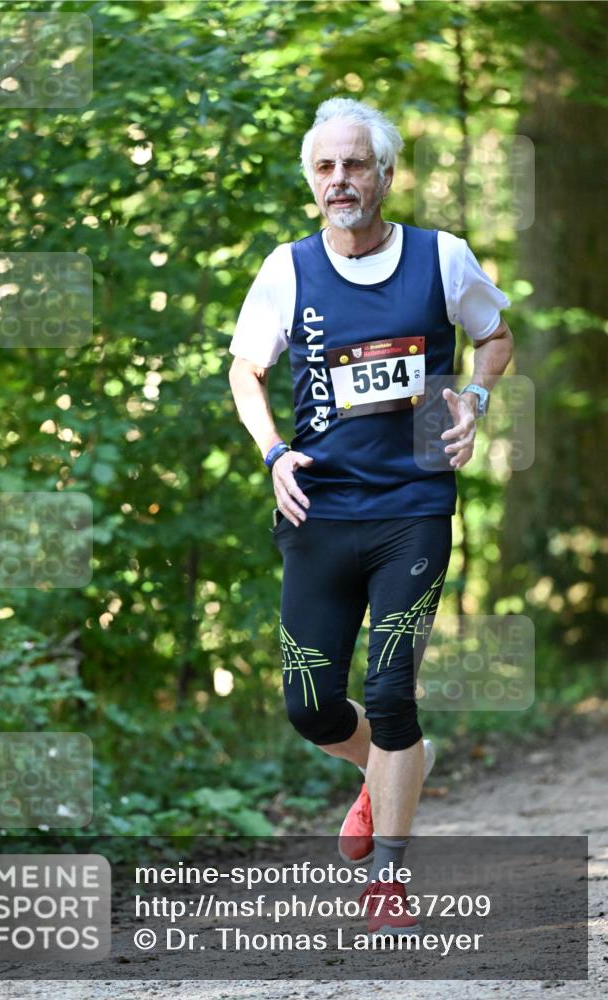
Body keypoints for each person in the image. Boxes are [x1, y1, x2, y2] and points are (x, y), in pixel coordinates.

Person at [228, 97, 513, 936]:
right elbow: (246, 373)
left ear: (385, 174)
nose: (340, 180)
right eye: (325, 168)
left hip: (414, 506)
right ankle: (397, 765)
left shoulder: (440, 257)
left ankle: (388, 876)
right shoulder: (287, 269)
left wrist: (474, 395)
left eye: (355, 164)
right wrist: (275, 452)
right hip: (318, 507)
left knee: (389, 687)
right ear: (311, 181)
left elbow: (494, 335)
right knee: (311, 705)